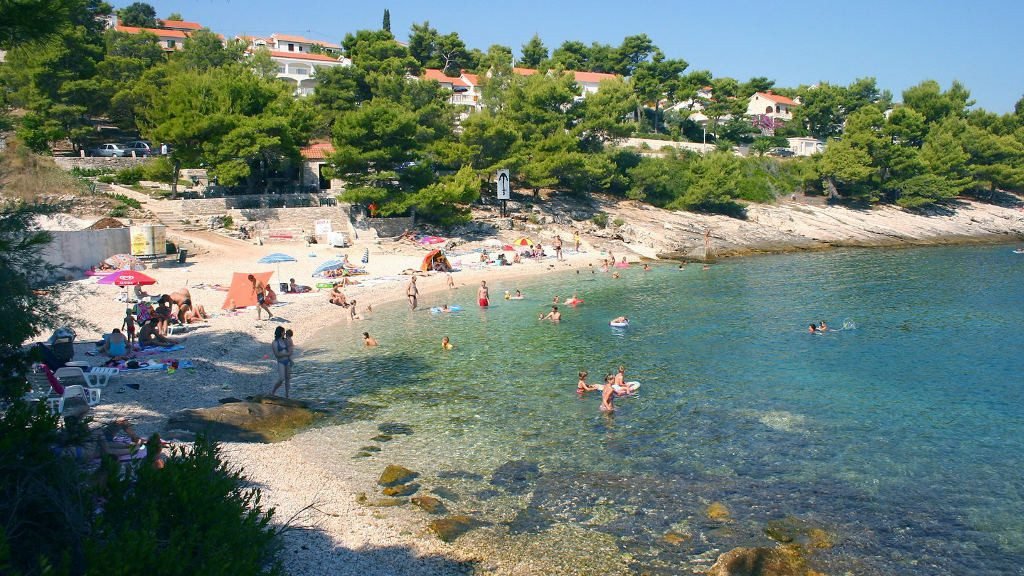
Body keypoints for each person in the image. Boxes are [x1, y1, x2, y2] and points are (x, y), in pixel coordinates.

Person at [270, 326, 293, 398]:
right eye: (283, 332)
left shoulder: (285, 340)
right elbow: (277, 355)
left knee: (287, 379)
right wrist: (287, 354)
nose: (284, 333)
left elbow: (290, 348)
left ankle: (287, 395)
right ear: (280, 332)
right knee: (281, 379)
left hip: (288, 361)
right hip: (281, 362)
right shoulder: (274, 343)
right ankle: (273, 391)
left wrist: (290, 358)